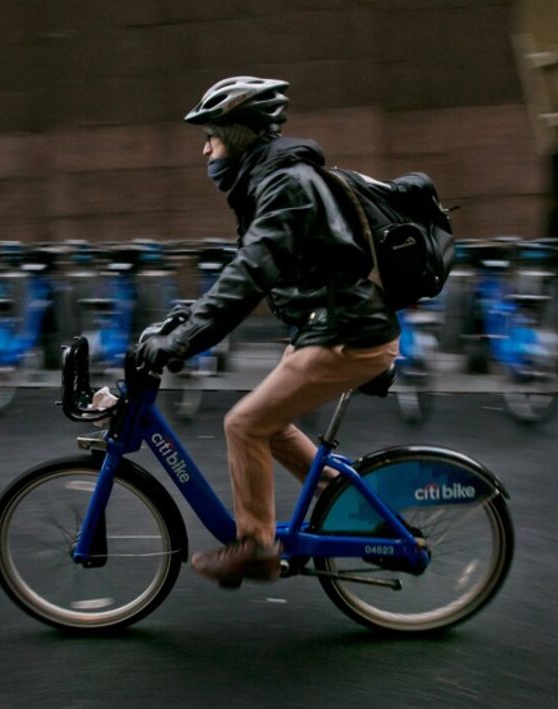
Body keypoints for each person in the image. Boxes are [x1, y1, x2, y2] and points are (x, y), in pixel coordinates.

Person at [133, 76, 400, 586]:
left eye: (210, 134)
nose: (204, 147)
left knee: (244, 424)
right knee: (271, 424)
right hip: (328, 326)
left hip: (347, 333)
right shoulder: (271, 180)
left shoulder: (286, 184)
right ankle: (333, 496)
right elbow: (250, 268)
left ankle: (256, 547)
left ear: (235, 133)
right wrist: (188, 317)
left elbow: (252, 272)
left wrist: (185, 341)